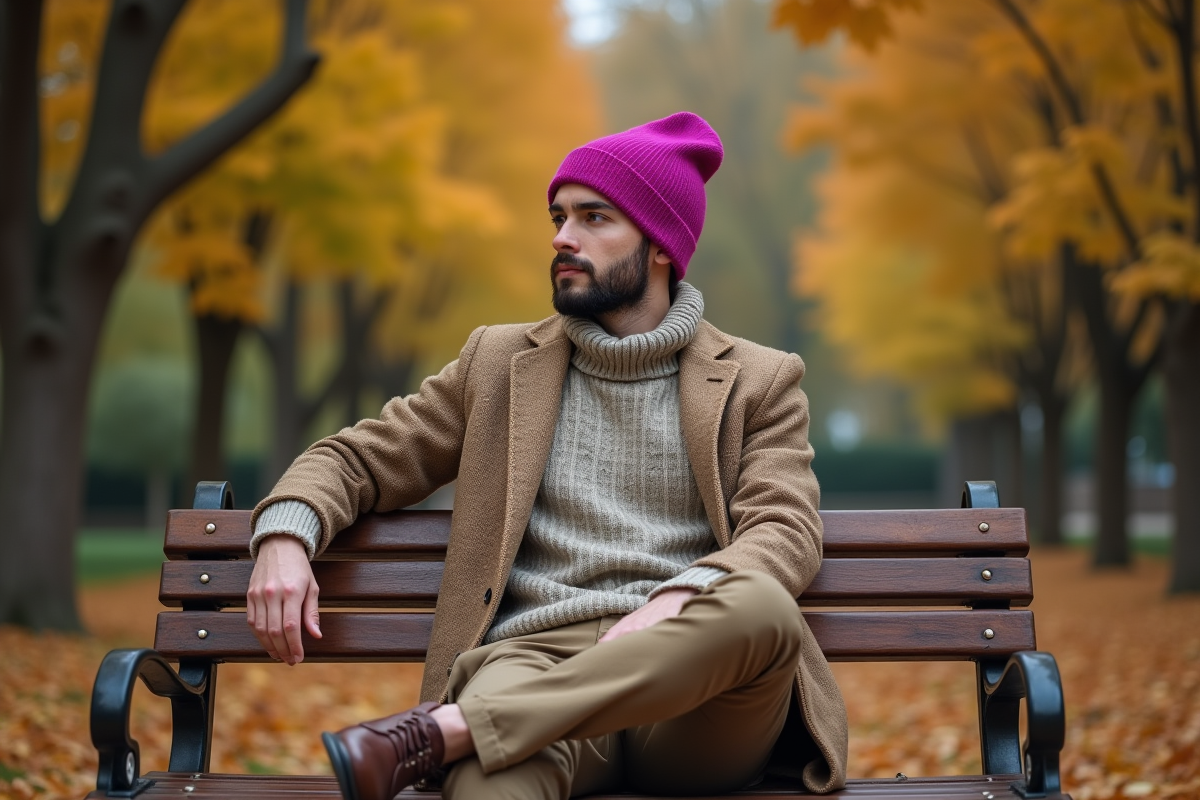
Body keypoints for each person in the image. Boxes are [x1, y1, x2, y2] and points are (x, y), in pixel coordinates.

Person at [244, 111, 848, 800]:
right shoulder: (499, 363)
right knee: (485, 786)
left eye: (594, 218)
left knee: (763, 609)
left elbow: (786, 531)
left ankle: (445, 732)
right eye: (558, 216)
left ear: (659, 245)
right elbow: (358, 460)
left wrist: (679, 596)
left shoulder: (760, 380)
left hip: (690, 691)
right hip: (529, 658)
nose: (563, 237)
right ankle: (473, 731)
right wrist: (286, 534)